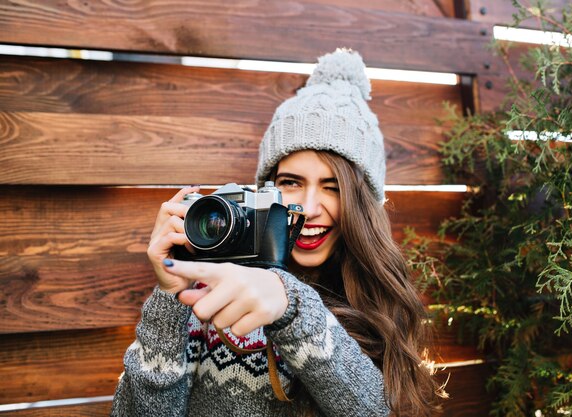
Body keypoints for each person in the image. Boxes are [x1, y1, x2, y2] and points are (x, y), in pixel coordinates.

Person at [111, 48, 440, 417]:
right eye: (291, 182)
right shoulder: (206, 293)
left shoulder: (378, 302)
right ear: (265, 192)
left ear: (364, 204)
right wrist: (170, 296)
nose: (311, 208)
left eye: (333, 187)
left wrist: (291, 306)